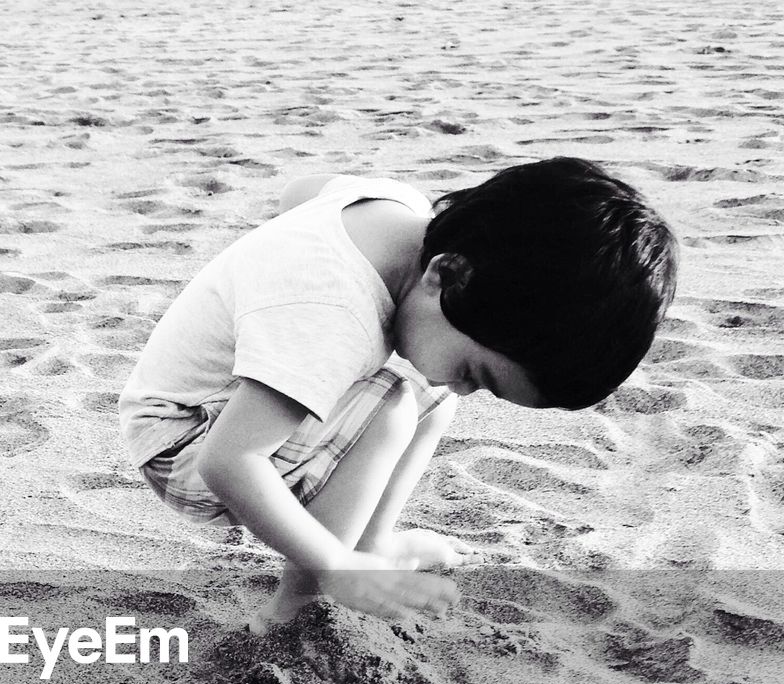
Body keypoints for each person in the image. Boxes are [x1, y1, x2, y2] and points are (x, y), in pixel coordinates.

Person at [118, 157, 679, 629]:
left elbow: (301, 192)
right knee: (390, 406)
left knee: (424, 394)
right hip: (183, 442)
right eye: (474, 371)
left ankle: (371, 548)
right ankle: (296, 606)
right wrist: (333, 566)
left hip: (224, 409)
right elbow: (230, 462)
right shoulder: (331, 315)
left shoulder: (395, 208)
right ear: (446, 273)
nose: (460, 384)